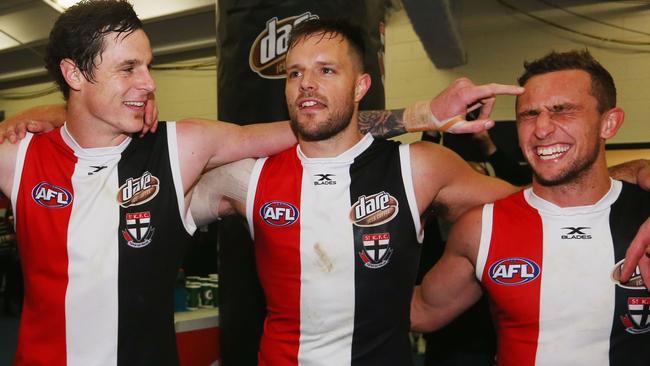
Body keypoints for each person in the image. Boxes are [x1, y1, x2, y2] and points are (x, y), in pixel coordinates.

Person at [0, 2, 527, 365]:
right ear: (75, 74)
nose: (149, 82)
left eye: (149, 66)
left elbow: (285, 129)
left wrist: (419, 113)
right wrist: (49, 114)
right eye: (129, 68)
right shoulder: (19, 155)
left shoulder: (178, 148)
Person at [411, 50, 650, 366]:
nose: (541, 129)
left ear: (609, 123)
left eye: (562, 110)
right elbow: (422, 311)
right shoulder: (482, 226)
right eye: (528, 114)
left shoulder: (643, 213)